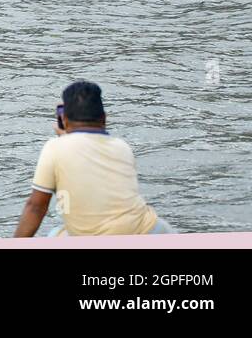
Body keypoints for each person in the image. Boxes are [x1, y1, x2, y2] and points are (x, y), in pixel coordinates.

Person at [14, 80, 172, 237]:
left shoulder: (55, 148)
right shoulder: (122, 147)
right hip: (149, 230)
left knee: (55, 234)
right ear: (104, 118)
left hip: (97, 238)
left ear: (64, 120)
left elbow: (36, 207)